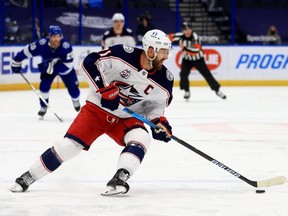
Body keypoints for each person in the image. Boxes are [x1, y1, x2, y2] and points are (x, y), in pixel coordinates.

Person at [10, 29, 174, 196]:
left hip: (125, 117)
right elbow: (90, 62)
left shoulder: (165, 79)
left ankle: (120, 178)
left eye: (168, 51)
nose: (167, 56)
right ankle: (29, 176)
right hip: (97, 110)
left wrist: (159, 122)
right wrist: (104, 90)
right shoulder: (122, 54)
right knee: (69, 147)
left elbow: (155, 106)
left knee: (142, 137)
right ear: (150, 50)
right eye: (163, 51)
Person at [11, 25, 81, 119]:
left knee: (74, 90)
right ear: (49, 36)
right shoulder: (41, 44)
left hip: (65, 69)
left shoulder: (66, 47)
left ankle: (75, 100)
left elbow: (67, 65)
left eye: (58, 36)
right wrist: (16, 60)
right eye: (53, 36)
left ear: (61, 36)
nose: (56, 39)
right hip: (48, 68)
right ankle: (43, 106)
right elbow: (27, 51)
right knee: (43, 87)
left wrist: (53, 68)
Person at [171, 22, 226, 100]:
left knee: (207, 74)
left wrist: (184, 48)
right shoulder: (180, 36)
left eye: (189, 29)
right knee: (183, 74)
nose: (187, 31)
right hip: (186, 60)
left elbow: (196, 50)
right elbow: (168, 37)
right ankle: (186, 91)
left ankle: (217, 90)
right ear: (182, 31)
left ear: (191, 29)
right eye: (185, 30)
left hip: (198, 59)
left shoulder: (196, 37)